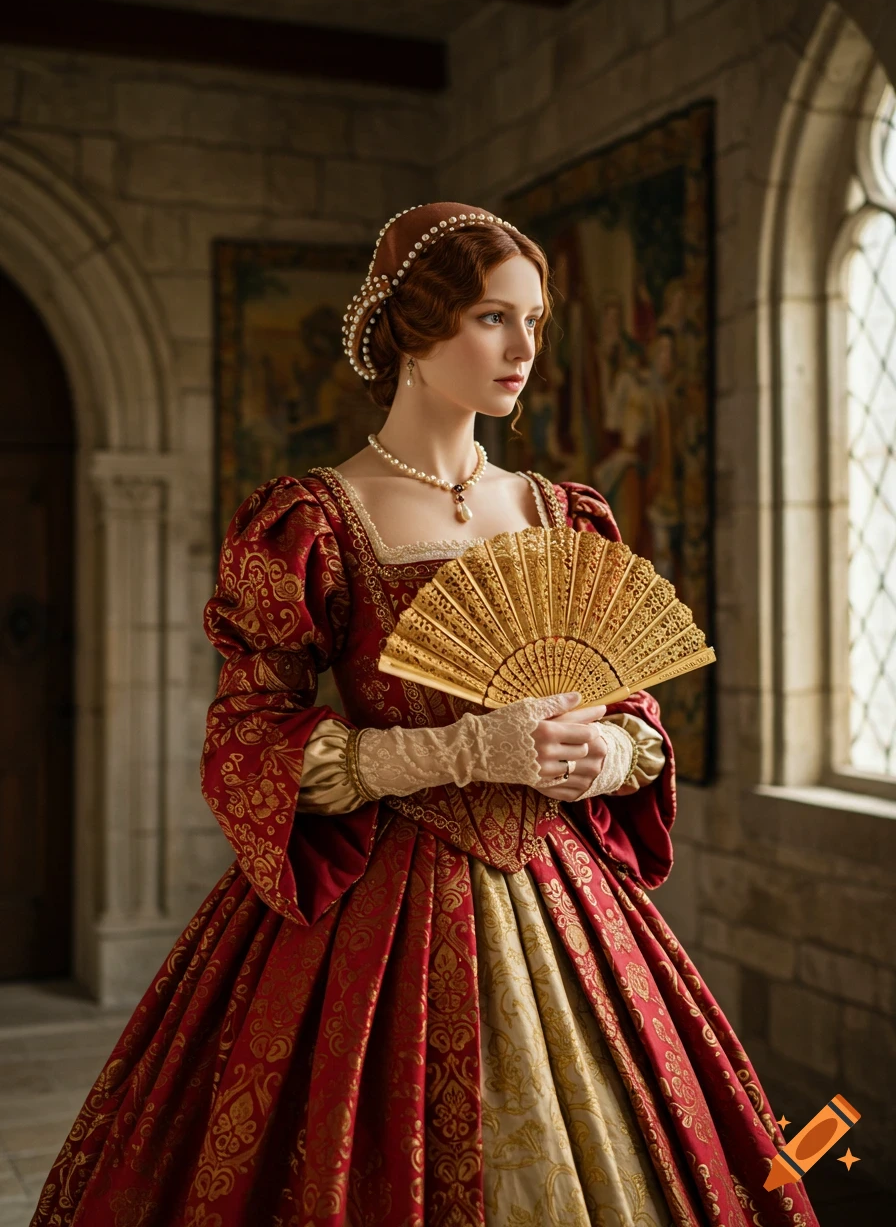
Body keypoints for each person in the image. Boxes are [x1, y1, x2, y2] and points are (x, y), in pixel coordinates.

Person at [32, 202, 818, 1227]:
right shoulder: (313, 519)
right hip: (382, 899)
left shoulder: (561, 512)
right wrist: (457, 749)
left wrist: (607, 752)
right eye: (493, 317)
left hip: (559, 883)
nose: (524, 349)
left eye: (535, 321)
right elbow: (246, 738)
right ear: (411, 327)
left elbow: (635, 712)